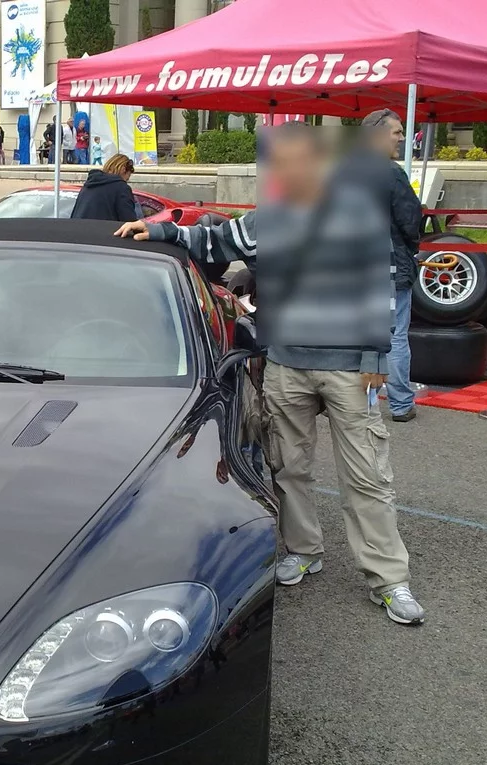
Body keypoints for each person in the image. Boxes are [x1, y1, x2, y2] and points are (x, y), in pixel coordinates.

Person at [114, 123, 424, 626]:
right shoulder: (270, 220)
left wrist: (376, 358)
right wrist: (162, 231)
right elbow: (215, 240)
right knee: (287, 467)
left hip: (350, 368)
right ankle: (304, 550)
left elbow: (380, 285)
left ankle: (389, 579)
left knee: (367, 475)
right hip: (285, 364)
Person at [349, 109, 423, 423]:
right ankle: (401, 404)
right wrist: (411, 248)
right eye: (397, 132)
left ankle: (362, 404)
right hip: (390, 267)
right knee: (394, 337)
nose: (402, 138)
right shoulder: (390, 173)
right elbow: (410, 221)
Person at [71, 153, 142, 222]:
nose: (126, 181)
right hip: (105, 229)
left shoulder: (88, 185)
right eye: (127, 178)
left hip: (78, 228)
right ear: (123, 170)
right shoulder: (121, 188)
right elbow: (128, 220)